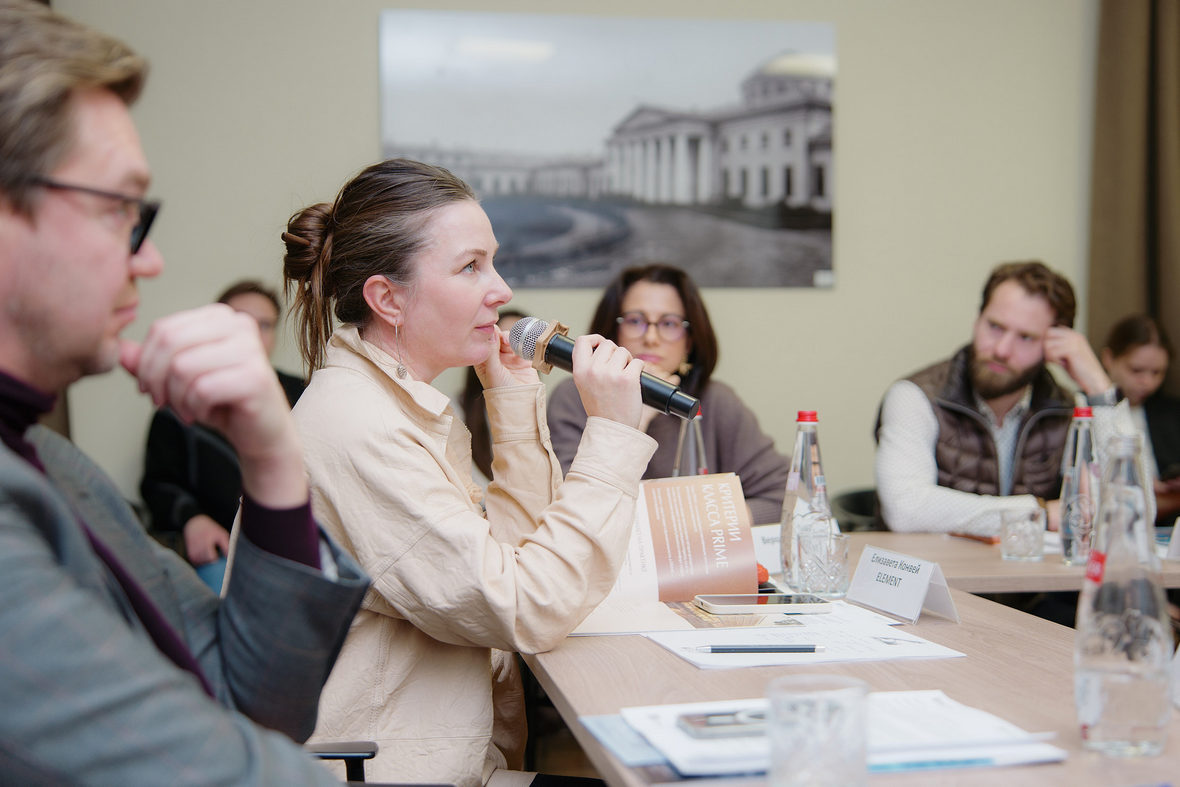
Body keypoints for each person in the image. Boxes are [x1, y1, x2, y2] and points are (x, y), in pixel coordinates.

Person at [0, 2, 367, 782]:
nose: (151, 258)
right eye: (119, 210)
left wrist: (272, 460)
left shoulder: (54, 461)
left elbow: (259, 699)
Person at [279, 157, 656, 786]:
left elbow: (511, 559)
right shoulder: (356, 427)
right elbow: (529, 606)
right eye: (470, 266)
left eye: (493, 261)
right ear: (387, 298)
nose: (501, 289)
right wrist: (613, 435)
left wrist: (511, 404)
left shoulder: (400, 404)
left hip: (454, 762)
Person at [874, 260, 1143, 536]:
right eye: (995, 326)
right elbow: (904, 510)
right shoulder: (917, 396)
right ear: (977, 319)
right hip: (938, 574)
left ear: (1053, 346)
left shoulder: (1066, 408)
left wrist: (1099, 388)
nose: (1002, 349)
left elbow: (1134, 513)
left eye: (1025, 337)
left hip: (1028, 576)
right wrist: (1036, 512)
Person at [547, 263, 790, 524]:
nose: (651, 337)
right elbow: (572, 508)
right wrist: (634, 420)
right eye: (635, 321)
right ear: (611, 332)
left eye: (669, 323)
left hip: (696, 559)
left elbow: (788, 496)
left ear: (689, 340)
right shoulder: (572, 398)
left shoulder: (715, 401)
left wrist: (703, 522)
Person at [140, 279, 306, 591]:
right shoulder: (178, 403)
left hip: (289, 544)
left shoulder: (302, 394)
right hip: (221, 552)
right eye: (240, 322)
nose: (253, 333)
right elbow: (158, 484)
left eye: (264, 325)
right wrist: (191, 519)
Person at [1101, 315, 1180, 522]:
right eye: (1136, 370)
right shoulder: (1083, 410)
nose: (1147, 382)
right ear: (1109, 359)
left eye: (1157, 373)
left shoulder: (1170, 414)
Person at [459, 307, 528, 483]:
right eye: (503, 343)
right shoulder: (454, 412)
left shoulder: (539, 409)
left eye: (522, 345)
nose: (512, 354)